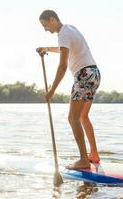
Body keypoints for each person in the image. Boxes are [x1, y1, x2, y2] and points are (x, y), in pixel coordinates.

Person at [36, 10, 101, 170]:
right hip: (94, 73)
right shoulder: (70, 29)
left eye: (45, 25)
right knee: (83, 117)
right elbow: (64, 48)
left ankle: (84, 160)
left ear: (52, 19)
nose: (45, 29)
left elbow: (63, 66)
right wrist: (47, 48)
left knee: (73, 118)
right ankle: (93, 154)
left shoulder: (63, 35)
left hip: (83, 75)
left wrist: (52, 90)